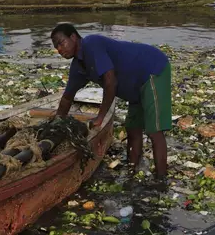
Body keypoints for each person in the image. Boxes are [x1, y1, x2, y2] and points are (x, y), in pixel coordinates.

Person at [50, 23, 172, 179]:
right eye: (56, 46)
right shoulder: (78, 67)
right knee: (132, 128)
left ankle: (161, 180)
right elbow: (67, 98)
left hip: (152, 70)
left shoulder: (91, 44)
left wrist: (100, 117)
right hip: (134, 87)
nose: (59, 49)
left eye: (61, 43)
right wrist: (56, 124)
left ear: (73, 37)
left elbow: (110, 82)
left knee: (154, 130)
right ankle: (132, 171)